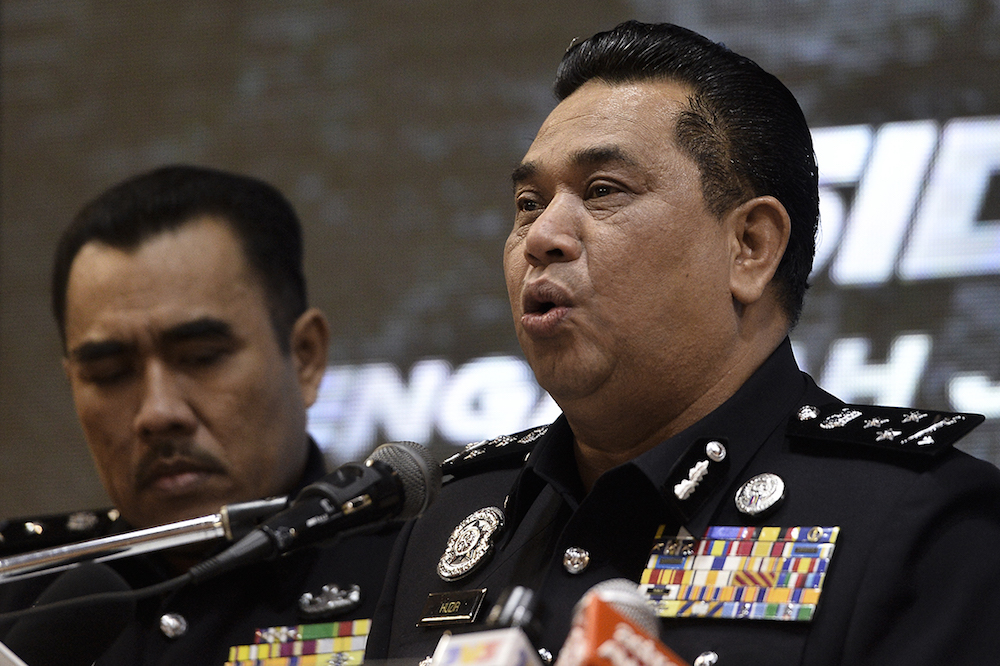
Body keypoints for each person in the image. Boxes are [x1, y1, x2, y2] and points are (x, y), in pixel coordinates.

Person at [366, 21, 1000, 666]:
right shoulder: (449, 518)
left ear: (749, 247)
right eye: (529, 202)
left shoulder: (920, 521)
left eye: (603, 191)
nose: (541, 236)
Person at [0, 165, 399, 665]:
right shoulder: (18, 598)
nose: (158, 412)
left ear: (305, 357)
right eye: (109, 372)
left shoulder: (417, 568)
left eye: (201, 357)